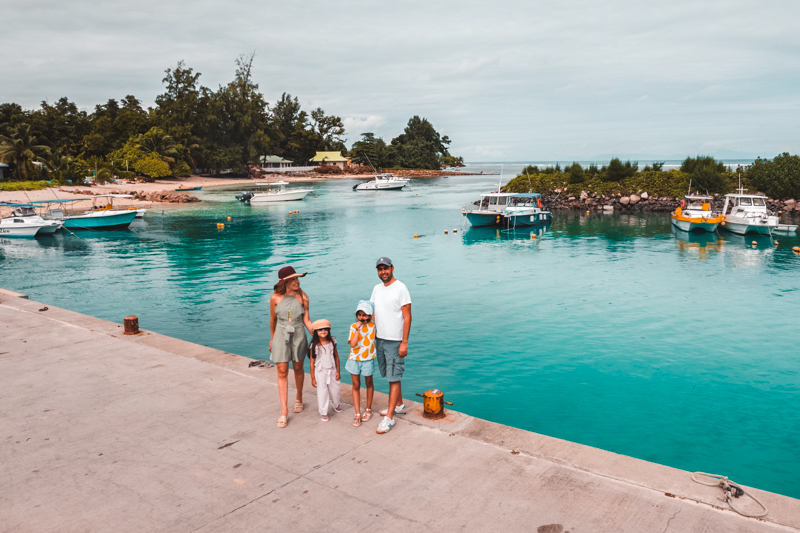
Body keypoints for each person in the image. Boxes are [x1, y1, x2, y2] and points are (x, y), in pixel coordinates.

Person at [370, 257, 412, 434]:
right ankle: (399, 405)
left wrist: (404, 342)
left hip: (395, 341)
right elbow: (372, 312)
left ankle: (390, 417)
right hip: (380, 339)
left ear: (392, 268)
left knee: (393, 378)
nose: (383, 272)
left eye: (385, 268)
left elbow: (407, 316)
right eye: (380, 269)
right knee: (390, 374)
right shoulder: (376, 289)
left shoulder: (401, 288)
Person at [269, 266, 314, 428]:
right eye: (293, 279)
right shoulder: (274, 298)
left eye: (297, 278)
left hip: (298, 335)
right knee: (281, 371)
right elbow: (273, 321)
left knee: (298, 368)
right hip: (280, 336)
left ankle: (299, 397)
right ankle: (284, 411)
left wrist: (318, 336)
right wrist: (272, 339)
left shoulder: (303, 297)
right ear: (285, 282)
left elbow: (307, 321)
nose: (297, 281)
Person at [346, 300, 376, 427]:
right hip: (354, 359)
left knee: (369, 383)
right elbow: (353, 344)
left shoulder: (374, 325)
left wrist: (374, 316)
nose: (362, 317)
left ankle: (368, 408)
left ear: (370, 315)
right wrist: (357, 330)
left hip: (368, 359)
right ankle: (357, 413)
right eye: (359, 315)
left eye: (365, 315)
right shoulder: (353, 326)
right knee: (356, 385)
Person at [309, 319, 342, 422]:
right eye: (320, 330)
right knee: (322, 392)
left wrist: (337, 371)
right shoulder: (314, 346)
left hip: (332, 370)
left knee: (336, 389)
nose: (323, 331)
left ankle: (336, 403)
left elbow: (336, 356)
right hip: (320, 372)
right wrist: (313, 378)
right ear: (316, 332)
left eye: (325, 329)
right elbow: (312, 362)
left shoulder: (332, 341)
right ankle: (323, 412)